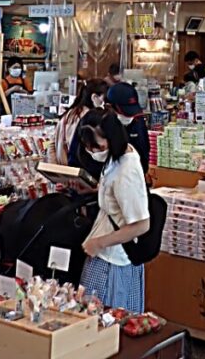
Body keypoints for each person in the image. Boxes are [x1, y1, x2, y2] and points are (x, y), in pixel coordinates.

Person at [78, 109, 151, 311]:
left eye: (97, 146)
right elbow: (116, 195)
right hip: (104, 252)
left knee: (107, 317)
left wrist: (98, 243)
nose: (93, 151)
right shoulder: (116, 156)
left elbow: (141, 225)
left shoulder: (127, 171)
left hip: (114, 259)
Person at [58, 79, 108, 165]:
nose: (105, 103)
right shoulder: (88, 118)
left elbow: (52, 143)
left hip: (63, 164)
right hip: (76, 166)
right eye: (104, 99)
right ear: (94, 97)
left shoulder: (71, 112)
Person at [106, 82, 151, 173]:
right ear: (109, 107)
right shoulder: (103, 127)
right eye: (125, 112)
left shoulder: (138, 120)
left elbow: (144, 151)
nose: (130, 117)